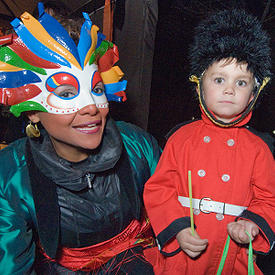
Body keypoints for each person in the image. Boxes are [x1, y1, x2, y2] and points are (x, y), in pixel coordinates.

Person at [0, 3, 161, 274]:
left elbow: (175, 207)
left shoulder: (138, 146)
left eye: (96, 88)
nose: (91, 107)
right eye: (65, 94)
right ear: (33, 113)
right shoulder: (10, 175)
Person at [144, 9, 275, 274]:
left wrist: (252, 223)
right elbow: (159, 190)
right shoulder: (180, 138)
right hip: (182, 254)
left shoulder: (259, 149)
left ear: (253, 95)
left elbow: (269, 198)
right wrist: (178, 229)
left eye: (241, 82)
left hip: (231, 255)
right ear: (198, 86)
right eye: (219, 79)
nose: (229, 89)